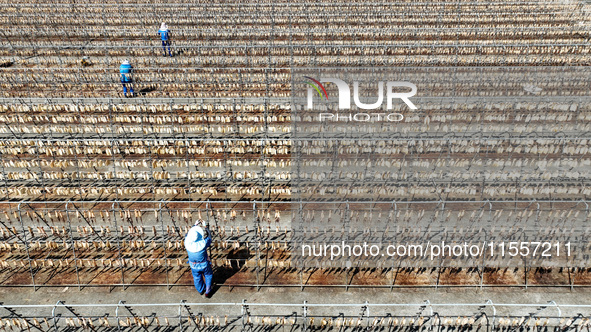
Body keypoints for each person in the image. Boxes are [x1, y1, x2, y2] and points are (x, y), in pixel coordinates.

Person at [185, 220, 213, 297]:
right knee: (208, 275)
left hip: (193, 265)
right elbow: (209, 237)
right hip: (204, 264)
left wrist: (194, 225)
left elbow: (187, 235)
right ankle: (207, 291)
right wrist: (205, 227)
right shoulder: (203, 244)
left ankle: (200, 290)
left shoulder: (186, 243)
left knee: (197, 277)